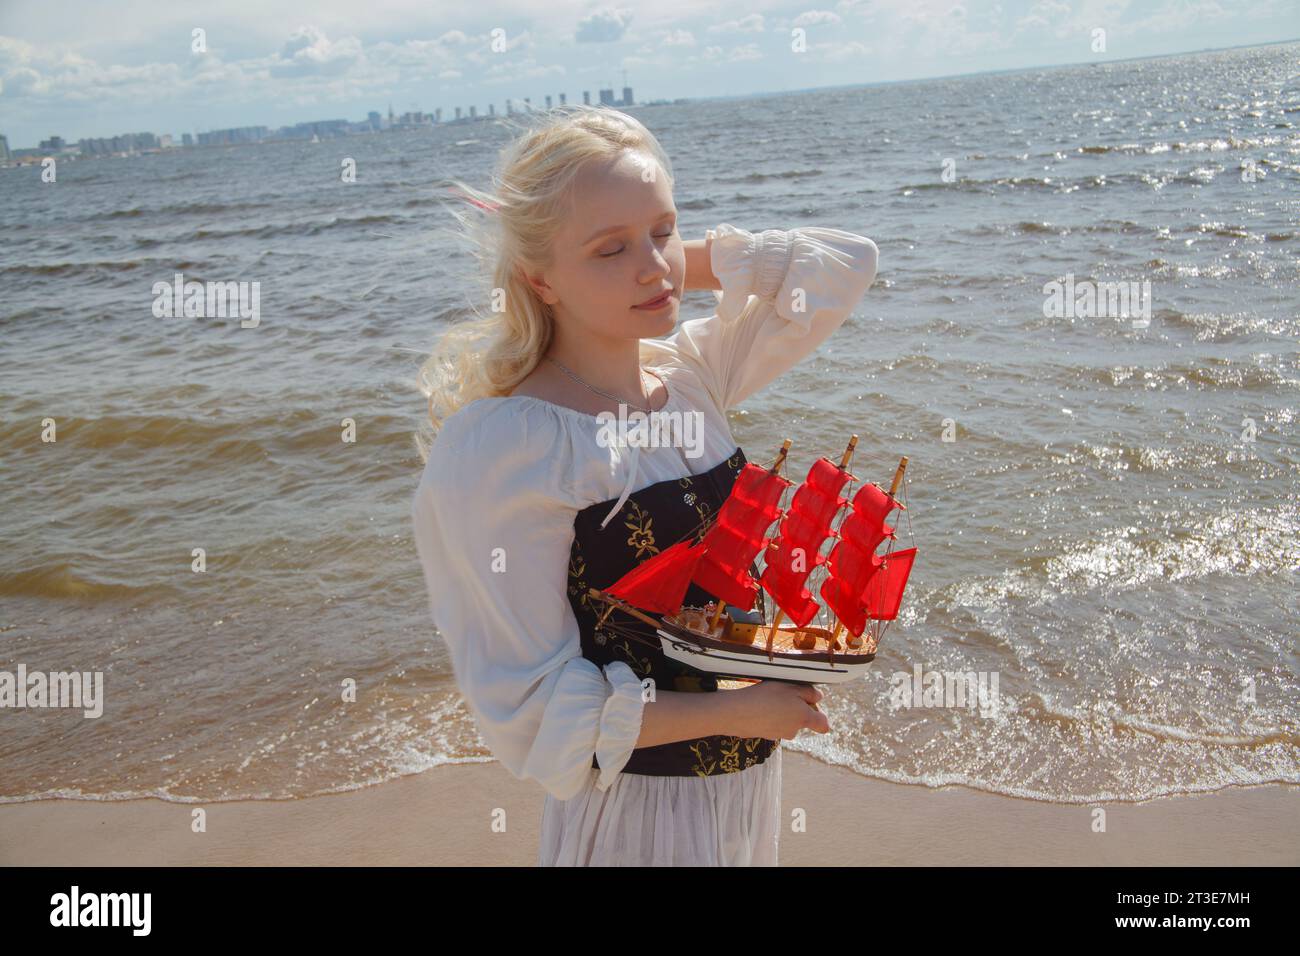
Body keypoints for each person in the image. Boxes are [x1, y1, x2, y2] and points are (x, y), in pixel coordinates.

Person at [411, 105, 879, 866]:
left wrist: (659, 261)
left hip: (745, 790)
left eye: (662, 230)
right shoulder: (506, 449)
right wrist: (746, 708)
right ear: (538, 277)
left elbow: (843, 264)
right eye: (608, 249)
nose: (652, 267)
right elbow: (531, 713)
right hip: (638, 814)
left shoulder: (693, 380)